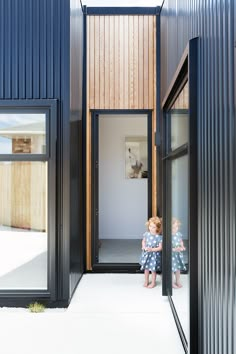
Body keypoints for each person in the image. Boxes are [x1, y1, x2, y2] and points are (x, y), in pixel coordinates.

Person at [139, 216, 163, 288]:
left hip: (154, 256)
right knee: (146, 269)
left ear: (158, 228)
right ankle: (146, 281)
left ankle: (153, 282)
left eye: (154, 227)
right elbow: (143, 241)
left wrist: (152, 249)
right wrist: (143, 246)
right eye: (150, 226)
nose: (151, 229)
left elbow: (160, 248)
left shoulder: (159, 237)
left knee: (153, 270)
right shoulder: (147, 234)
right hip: (147, 254)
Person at [172, 217, 186, 289]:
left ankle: (178, 281)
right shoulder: (169, 235)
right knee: (171, 269)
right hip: (171, 255)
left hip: (177, 255)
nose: (174, 229)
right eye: (173, 228)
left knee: (178, 269)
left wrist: (182, 246)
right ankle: (171, 283)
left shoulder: (179, 234)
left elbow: (180, 241)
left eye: (176, 227)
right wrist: (173, 249)